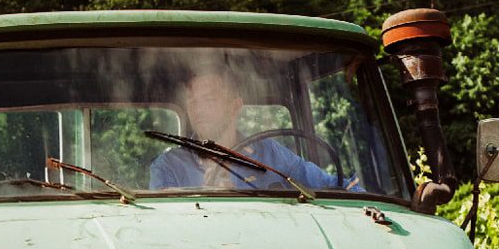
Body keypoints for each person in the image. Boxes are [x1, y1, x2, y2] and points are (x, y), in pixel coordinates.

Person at [148, 71, 351, 192]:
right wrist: (204, 197)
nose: (198, 109)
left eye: (209, 100)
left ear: (235, 107)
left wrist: (371, 203)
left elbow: (335, 186)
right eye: (192, 101)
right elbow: (162, 227)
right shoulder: (168, 167)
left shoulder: (271, 154)